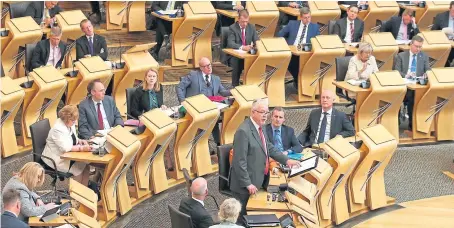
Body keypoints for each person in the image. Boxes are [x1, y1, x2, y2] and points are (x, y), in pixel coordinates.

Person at [230, 98, 300, 220]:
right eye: (262, 112)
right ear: (253, 112)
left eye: (267, 113)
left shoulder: (260, 128)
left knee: (254, 215)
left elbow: (269, 148)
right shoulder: (243, 131)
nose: (265, 116)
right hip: (244, 186)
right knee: (243, 218)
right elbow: (239, 161)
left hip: (258, 180)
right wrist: (247, 183)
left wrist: (287, 160)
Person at [42, 105, 91, 185]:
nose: (75, 122)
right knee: (77, 171)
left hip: (68, 155)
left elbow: (72, 136)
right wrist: (81, 148)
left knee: (86, 166)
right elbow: (65, 148)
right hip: (56, 158)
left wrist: (80, 141)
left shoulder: (69, 123)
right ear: (66, 119)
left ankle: (84, 194)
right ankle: (75, 196)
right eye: (73, 120)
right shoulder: (57, 129)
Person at [393, 35, 430, 130]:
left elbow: (428, 70)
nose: (418, 49)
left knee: (414, 96)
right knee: (407, 95)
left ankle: (413, 124)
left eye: (420, 47)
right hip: (403, 84)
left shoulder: (424, 56)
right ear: (411, 45)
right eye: (416, 46)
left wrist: (426, 75)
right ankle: (396, 121)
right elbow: (396, 72)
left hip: (416, 85)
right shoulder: (401, 56)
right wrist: (406, 75)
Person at [278, 7, 320, 88]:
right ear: (300, 17)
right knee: (293, 62)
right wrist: (286, 45)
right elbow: (280, 35)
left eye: (309, 17)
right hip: (293, 52)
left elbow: (317, 41)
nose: (307, 20)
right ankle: (298, 81)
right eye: (305, 18)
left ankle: (301, 83)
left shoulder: (314, 27)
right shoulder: (292, 24)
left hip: (307, 53)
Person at [226, 10, 259, 87]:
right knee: (237, 61)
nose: (245, 24)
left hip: (247, 54)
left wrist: (254, 46)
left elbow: (257, 41)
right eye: (243, 21)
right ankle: (235, 85)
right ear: (238, 19)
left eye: (246, 22)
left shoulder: (251, 27)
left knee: (257, 60)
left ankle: (252, 84)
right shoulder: (232, 28)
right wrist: (243, 47)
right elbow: (230, 43)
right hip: (235, 54)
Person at [431, 1, 454, 66]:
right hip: (443, 45)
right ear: (449, 9)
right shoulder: (440, 16)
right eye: (453, 11)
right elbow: (433, 32)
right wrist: (442, 32)